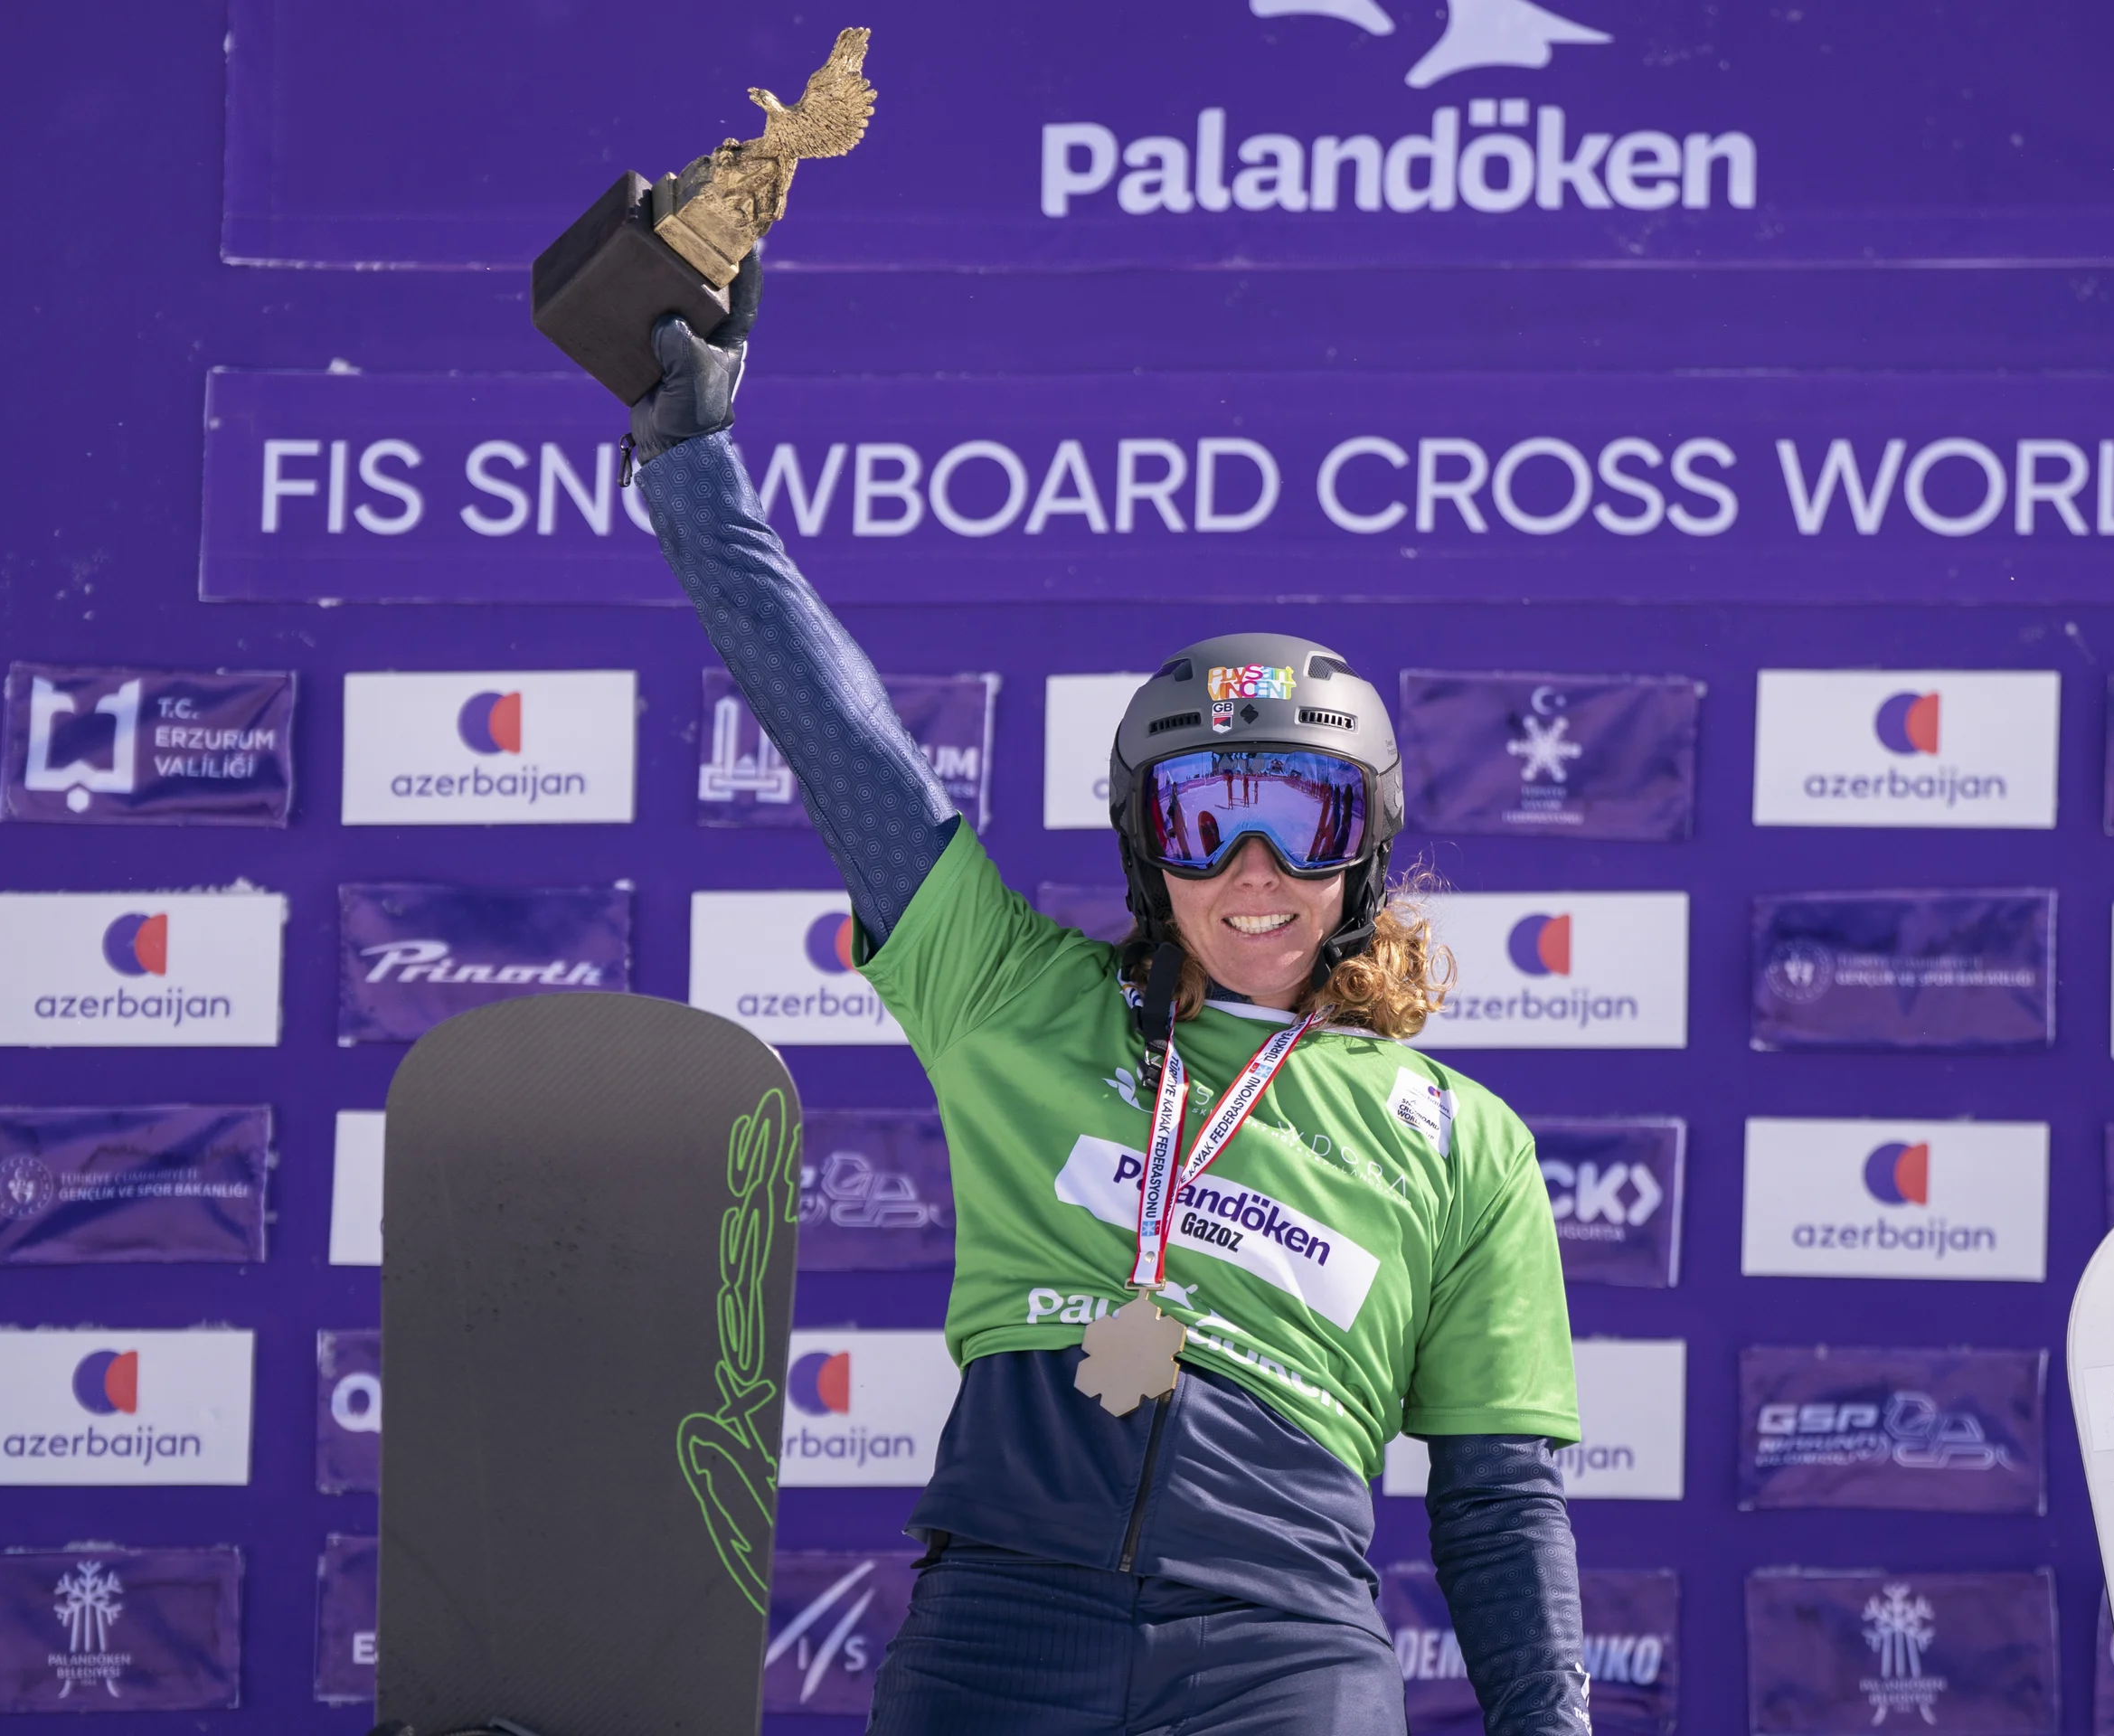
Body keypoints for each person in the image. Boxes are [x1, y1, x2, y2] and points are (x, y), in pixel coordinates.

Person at [631, 250, 1589, 1736]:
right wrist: (693, 470)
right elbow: (845, 743)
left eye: (1308, 822)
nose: (1255, 871)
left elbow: (1497, 1499)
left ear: (1369, 852)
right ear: (1152, 852)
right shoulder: (1014, 998)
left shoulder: (1461, 1139)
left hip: (1286, 1648)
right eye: (1207, 823)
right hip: (1008, 1623)